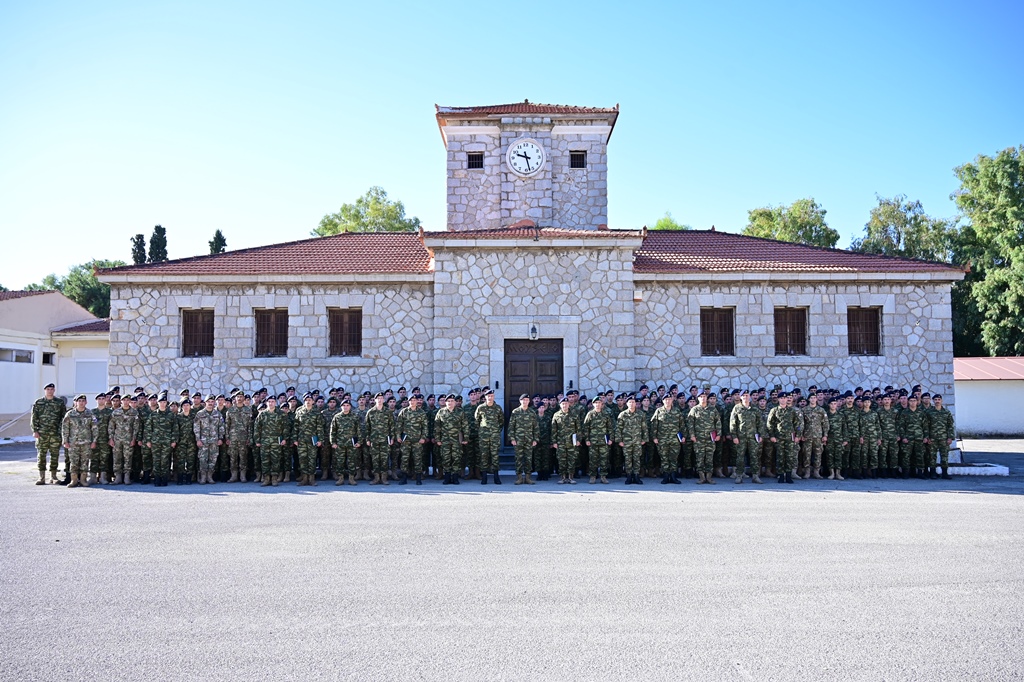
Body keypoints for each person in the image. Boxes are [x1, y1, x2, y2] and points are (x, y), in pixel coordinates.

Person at [31, 383, 66, 485]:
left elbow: (63, 418)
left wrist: (60, 431)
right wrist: (35, 430)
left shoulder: (59, 402)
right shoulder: (39, 402)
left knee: (55, 455)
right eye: (48, 389)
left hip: (55, 433)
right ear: (45, 390)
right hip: (42, 434)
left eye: (52, 389)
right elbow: (34, 417)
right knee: (41, 455)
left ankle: (53, 476)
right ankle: (41, 477)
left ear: (54, 390)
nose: (50, 391)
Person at [61, 394, 98, 488]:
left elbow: (94, 428)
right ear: (76, 402)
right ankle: (73, 480)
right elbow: (65, 428)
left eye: (83, 401)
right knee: (73, 462)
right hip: (73, 442)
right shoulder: (70, 414)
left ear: (86, 402)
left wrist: (94, 441)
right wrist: (65, 441)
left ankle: (83, 480)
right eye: (79, 401)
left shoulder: (90, 414)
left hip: (86, 442)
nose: (81, 403)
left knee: (85, 462)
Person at [145, 392, 180, 487]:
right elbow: (148, 428)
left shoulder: (171, 415)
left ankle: (164, 479)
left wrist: (173, 440)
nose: (162, 404)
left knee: (164, 460)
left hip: (167, 442)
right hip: (155, 442)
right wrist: (148, 440)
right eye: (161, 402)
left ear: (166, 403)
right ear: (158, 403)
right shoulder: (153, 415)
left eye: (164, 402)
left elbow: (175, 428)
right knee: (156, 460)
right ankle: (157, 479)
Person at [253, 396, 289, 487]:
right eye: (269, 401)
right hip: (264, 441)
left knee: (275, 460)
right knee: (265, 460)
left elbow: (285, 427)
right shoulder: (262, 414)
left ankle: (274, 478)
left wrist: (285, 438)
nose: (271, 403)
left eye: (272, 401)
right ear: (266, 403)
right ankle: (266, 479)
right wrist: (257, 440)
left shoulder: (281, 414)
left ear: (275, 403)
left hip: (276, 441)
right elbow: (257, 428)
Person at [687, 392, 721, 484]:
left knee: (709, 458)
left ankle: (709, 477)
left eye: (704, 396)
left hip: (710, 438)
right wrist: (692, 435)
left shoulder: (713, 409)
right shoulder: (694, 409)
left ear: (707, 398)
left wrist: (718, 434)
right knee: (699, 458)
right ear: (698, 398)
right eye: (701, 397)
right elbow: (690, 424)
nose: (703, 398)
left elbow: (718, 422)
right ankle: (702, 477)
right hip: (699, 438)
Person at [730, 390, 763, 484]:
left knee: (754, 457)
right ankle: (739, 476)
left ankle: (755, 476)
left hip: (753, 437)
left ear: (750, 397)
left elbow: (760, 423)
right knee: (740, 457)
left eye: (747, 395)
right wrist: (734, 436)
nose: (745, 397)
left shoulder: (755, 409)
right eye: (743, 395)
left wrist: (761, 435)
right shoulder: (737, 408)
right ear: (741, 397)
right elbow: (733, 423)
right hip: (741, 437)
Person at [766, 392, 801, 484]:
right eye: (781, 398)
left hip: (790, 437)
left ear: (787, 400)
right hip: (779, 437)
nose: (783, 400)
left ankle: (789, 476)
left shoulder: (792, 411)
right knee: (780, 456)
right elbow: (770, 424)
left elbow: (797, 424)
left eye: (785, 398)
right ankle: (781, 476)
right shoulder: (774, 410)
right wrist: (772, 435)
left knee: (789, 456)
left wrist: (798, 435)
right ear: (778, 399)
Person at [615, 395, 648, 485]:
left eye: (633, 402)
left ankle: (636, 476)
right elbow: (618, 428)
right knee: (628, 459)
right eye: (630, 402)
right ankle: (629, 476)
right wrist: (619, 440)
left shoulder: (641, 414)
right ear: (627, 403)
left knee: (637, 459)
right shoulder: (623, 414)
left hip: (637, 440)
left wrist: (644, 439)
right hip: (626, 441)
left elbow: (644, 428)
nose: (632, 404)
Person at [292, 393, 325, 486]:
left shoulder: (316, 411)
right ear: (304, 401)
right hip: (301, 439)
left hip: (312, 440)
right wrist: (294, 438)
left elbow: (320, 427)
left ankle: (311, 478)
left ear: (313, 401)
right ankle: (304, 478)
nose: (308, 401)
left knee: (312, 459)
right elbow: (296, 426)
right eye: (306, 400)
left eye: (310, 400)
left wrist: (320, 440)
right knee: (302, 459)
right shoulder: (299, 411)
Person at [651, 394, 684, 485]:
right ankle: (666, 476)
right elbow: (654, 426)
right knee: (664, 458)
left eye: (669, 399)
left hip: (675, 439)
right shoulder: (658, 411)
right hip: (662, 439)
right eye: (666, 400)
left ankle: (673, 476)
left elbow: (682, 425)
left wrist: (683, 436)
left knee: (674, 458)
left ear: (672, 400)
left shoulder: (677, 411)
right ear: (663, 401)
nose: (668, 401)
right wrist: (654, 437)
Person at [396, 394, 428, 485]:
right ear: (409, 401)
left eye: (414, 400)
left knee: (418, 458)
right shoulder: (404, 412)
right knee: (405, 459)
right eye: (411, 400)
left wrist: (423, 437)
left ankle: (418, 477)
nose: (413, 402)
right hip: (405, 440)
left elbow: (425, 426)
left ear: (417, 401)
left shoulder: (421, 412)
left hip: (417, 440)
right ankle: (404, 477)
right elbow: (399, 425)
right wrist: (398, 436)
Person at [435, 394, 467, 485]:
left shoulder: (460, 412)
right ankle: (447, 477)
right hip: (445, 439)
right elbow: (437, 427)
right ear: (445, 402)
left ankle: (455, 477)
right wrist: (438, 439)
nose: (450, 403)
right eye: (448, 401)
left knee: (456, 458)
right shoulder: (441, 412)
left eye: (452, 401)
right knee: (446, 458)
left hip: (457, 439)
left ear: (455, 402)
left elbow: (465, 426)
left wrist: (466, 438)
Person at [365, 392, 396, 485]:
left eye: (381, 398)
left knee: (384, 459)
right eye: (378, 398)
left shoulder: (388, 412)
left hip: (385, 439)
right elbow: (367, 427)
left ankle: (384, 478)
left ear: (384, 400)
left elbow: (392, 426)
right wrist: (368, 439)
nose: (380, 400)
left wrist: (392, 438)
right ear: (375, 400)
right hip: (374, 439)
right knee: (375, 459)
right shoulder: (370, 412)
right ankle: (376, 478)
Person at [475, 390, 505, 484]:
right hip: (483, 436)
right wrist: (482, 431)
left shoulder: (498, 408)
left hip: (495, 436)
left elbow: (501, 421)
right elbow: (477, 421)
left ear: (494, 397)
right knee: (484, 455)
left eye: (492, 396)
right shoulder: (480, 408)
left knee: (495, 455)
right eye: (488, 396)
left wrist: (496, 430)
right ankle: (484, 476)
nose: (490, 398)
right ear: (485, 397)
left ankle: (496, 476)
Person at [330, 399, 362, 486]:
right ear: (341, 407)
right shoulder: (337, 417)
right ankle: (341, 478)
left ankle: (351, 478)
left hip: (351, 443)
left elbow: (359, 430)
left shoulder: (354, 417)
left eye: (347, 405)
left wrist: (359, 441)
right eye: (344, 405)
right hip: (340, 443)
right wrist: (333, 442)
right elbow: (333, 431)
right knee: (340, 461)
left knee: (352, 461)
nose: (346, 407)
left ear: (350, 407)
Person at [108, 394, 139, 485]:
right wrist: (111, 438)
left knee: (128, 458)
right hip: (117, 439)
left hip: (128, 439)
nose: (126, 402)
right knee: (117, 458)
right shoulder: (116, 412)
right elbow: (111, 426)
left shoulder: (134, 412)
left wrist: (134, 439)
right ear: (121, 401)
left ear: (129, 401)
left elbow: (136, 427)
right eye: (124, 400)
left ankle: (127, 477)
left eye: (127, 400)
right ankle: (117, 477)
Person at [194, 395, 226, 484]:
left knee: (213, 459)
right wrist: (198, 439)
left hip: (214, 441)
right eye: (209, 401)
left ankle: (210, 476)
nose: (210, 403)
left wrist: (220, 438)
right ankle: (203, 477)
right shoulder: (200, 414)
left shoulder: (217, 414)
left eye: (212, 402)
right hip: (203, 441)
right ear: (205, 403)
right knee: (203, 459)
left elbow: (221, 427)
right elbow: (196, 428)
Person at [583, 394, 614, 484]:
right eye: (596, 403)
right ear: (593, 404)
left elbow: (610, 427)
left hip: (604, 440)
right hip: (593, 440)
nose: (598, 404)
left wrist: (611, 438)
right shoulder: (590, 414)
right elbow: (586, 427)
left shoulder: (606, 414)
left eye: (599, 402)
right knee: (593, 459)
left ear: (602, 404)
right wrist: (587, 439)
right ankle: (593, 476)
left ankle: (603, 476)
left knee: (604, 459)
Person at [508, 394, 538, 485]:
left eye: (527, 400)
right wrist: (512, 438)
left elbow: (536, 427)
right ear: (520, 401)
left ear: (529, 401)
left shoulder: (532, 412)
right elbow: (511, 426)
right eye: (523, 400)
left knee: (528, 459)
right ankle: (519, 477)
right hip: (518, 440)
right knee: (518, 459)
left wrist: (535, 439)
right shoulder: (515, 412)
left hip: (529, 439)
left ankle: (528, 477)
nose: (525, 402)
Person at [551, 397, 581, 484]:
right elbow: (553, 430)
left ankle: (571, 477)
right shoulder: (556, 415)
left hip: (572, 441)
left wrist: (579, 439)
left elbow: (578, 429)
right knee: (561, 460)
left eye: (566, 404)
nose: (565, 405)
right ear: (560, 405)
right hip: (560, 442)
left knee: (572, 459)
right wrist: (554, 442)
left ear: (569, 404)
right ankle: (563, 477)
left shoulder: (574, 414)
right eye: (563, 404)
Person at [929, 394, 956, 479]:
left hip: (944, 438)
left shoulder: (946, 412)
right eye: (935, 399)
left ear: (941, 401)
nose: (937, 401)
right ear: (933, 401)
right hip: (932, 438)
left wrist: (950, 437)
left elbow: (950, 425)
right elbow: (925, 425)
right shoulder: (929, 412)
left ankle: (944, 473)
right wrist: (927, 437)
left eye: (939, 399)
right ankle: (933, 473)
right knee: (932, 456)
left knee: (944, 456)